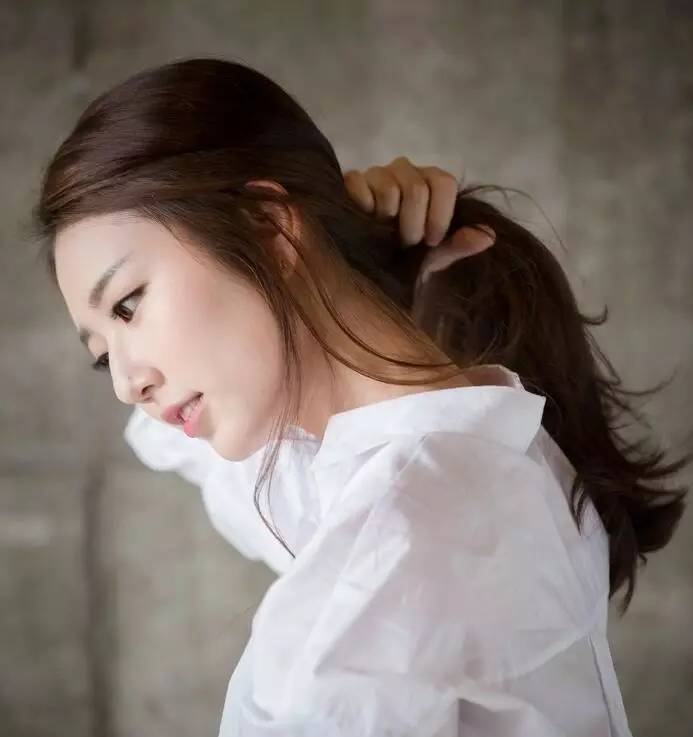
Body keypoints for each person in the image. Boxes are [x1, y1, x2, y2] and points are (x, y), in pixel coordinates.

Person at [32, 57, 689, 737]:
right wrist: (352, 262)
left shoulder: (396, 543)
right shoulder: (468, 447)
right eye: (102, 355)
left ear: (267, 226)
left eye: (129, 304)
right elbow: (184, 448)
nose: (125, 383)